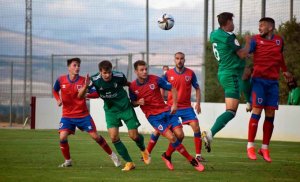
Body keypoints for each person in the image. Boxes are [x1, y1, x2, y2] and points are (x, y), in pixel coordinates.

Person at [129, 60, 204, 172]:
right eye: (142, 70)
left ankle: (167, 155)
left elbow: (172, 88)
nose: (145, 71)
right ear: (136, 72)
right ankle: (191, 160)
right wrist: (137, 102)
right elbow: (132, 103)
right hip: (154, 117)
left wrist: (174, 104)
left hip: (167, 111)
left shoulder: (155, 79)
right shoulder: (133, 86)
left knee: (180, 135)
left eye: (146, 69)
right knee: (172, 137)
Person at [78, 60, 150, 171]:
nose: (107, 75)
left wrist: (135, 99)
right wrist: (85, 86)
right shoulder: (94, 80)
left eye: (109, 72)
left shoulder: (119, 76)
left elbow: (129, 84)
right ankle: (129, 163)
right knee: (113, 137)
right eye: (104, 73)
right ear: (100, 72)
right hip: (110, 110)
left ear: (112, 71)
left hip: (125, 107)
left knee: (134, 136)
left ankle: (143, 149)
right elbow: (80, 96)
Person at [53, 57, 120, 168]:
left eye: (78, 65)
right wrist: (58, 99)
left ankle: (113, 155)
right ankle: (68, 161)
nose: (77, 67)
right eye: (74, 65)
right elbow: (55, 90)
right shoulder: (61, 80)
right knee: (62, 137)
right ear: (68, 67)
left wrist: (87, 94)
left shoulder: (85, 81)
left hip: (82, 115)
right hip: (67, 116)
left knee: (96, 137)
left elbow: (96, 93)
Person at [202, 12, 250, 152]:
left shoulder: (214, 34)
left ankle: (249, 101)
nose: (233, 24)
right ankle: (210, 134)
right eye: (232, 21)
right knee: (231, 111)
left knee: (247, 73)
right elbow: (241, 53)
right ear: (227, 22)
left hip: (224, 72)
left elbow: (230, 51)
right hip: (231, 74)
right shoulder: (229, 37)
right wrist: (248, 42)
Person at [246, 17, 293, 162]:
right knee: (257, 110)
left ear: (270, 28)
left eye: (262, 25)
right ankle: (250, 146)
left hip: (273, 83)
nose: (259, 28)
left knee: (271, 114)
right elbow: (245, 52)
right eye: (259, 25)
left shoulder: (279, 40)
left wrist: (284, 71)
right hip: (258, 81)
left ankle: (264, 148)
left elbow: (280, 57)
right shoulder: (255, 40)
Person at [146, 52, 205, 162]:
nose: (179, 60)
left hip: (187, 108)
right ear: (174, 60)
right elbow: (160, 86)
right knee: (158, 130)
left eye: (181, 58)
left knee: (196, 127)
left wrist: (198, 103)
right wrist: (161, 99)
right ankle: (147, 153)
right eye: (177, 58)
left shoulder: (190, 73)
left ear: (184, 60)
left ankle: (198, 155)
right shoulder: (168, 74)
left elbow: (197, 88)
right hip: (171, 107)